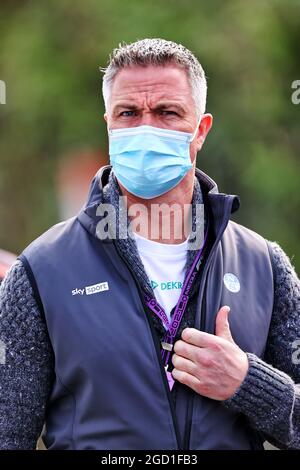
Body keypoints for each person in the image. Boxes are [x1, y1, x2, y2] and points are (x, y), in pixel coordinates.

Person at [0, 38, 299, 450]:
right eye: (129, 113)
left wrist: (248, 383)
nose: (146, 128)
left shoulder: (263, 266)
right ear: (108, 123)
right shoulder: (40, 271)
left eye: (167, 112)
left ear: (201, 130)